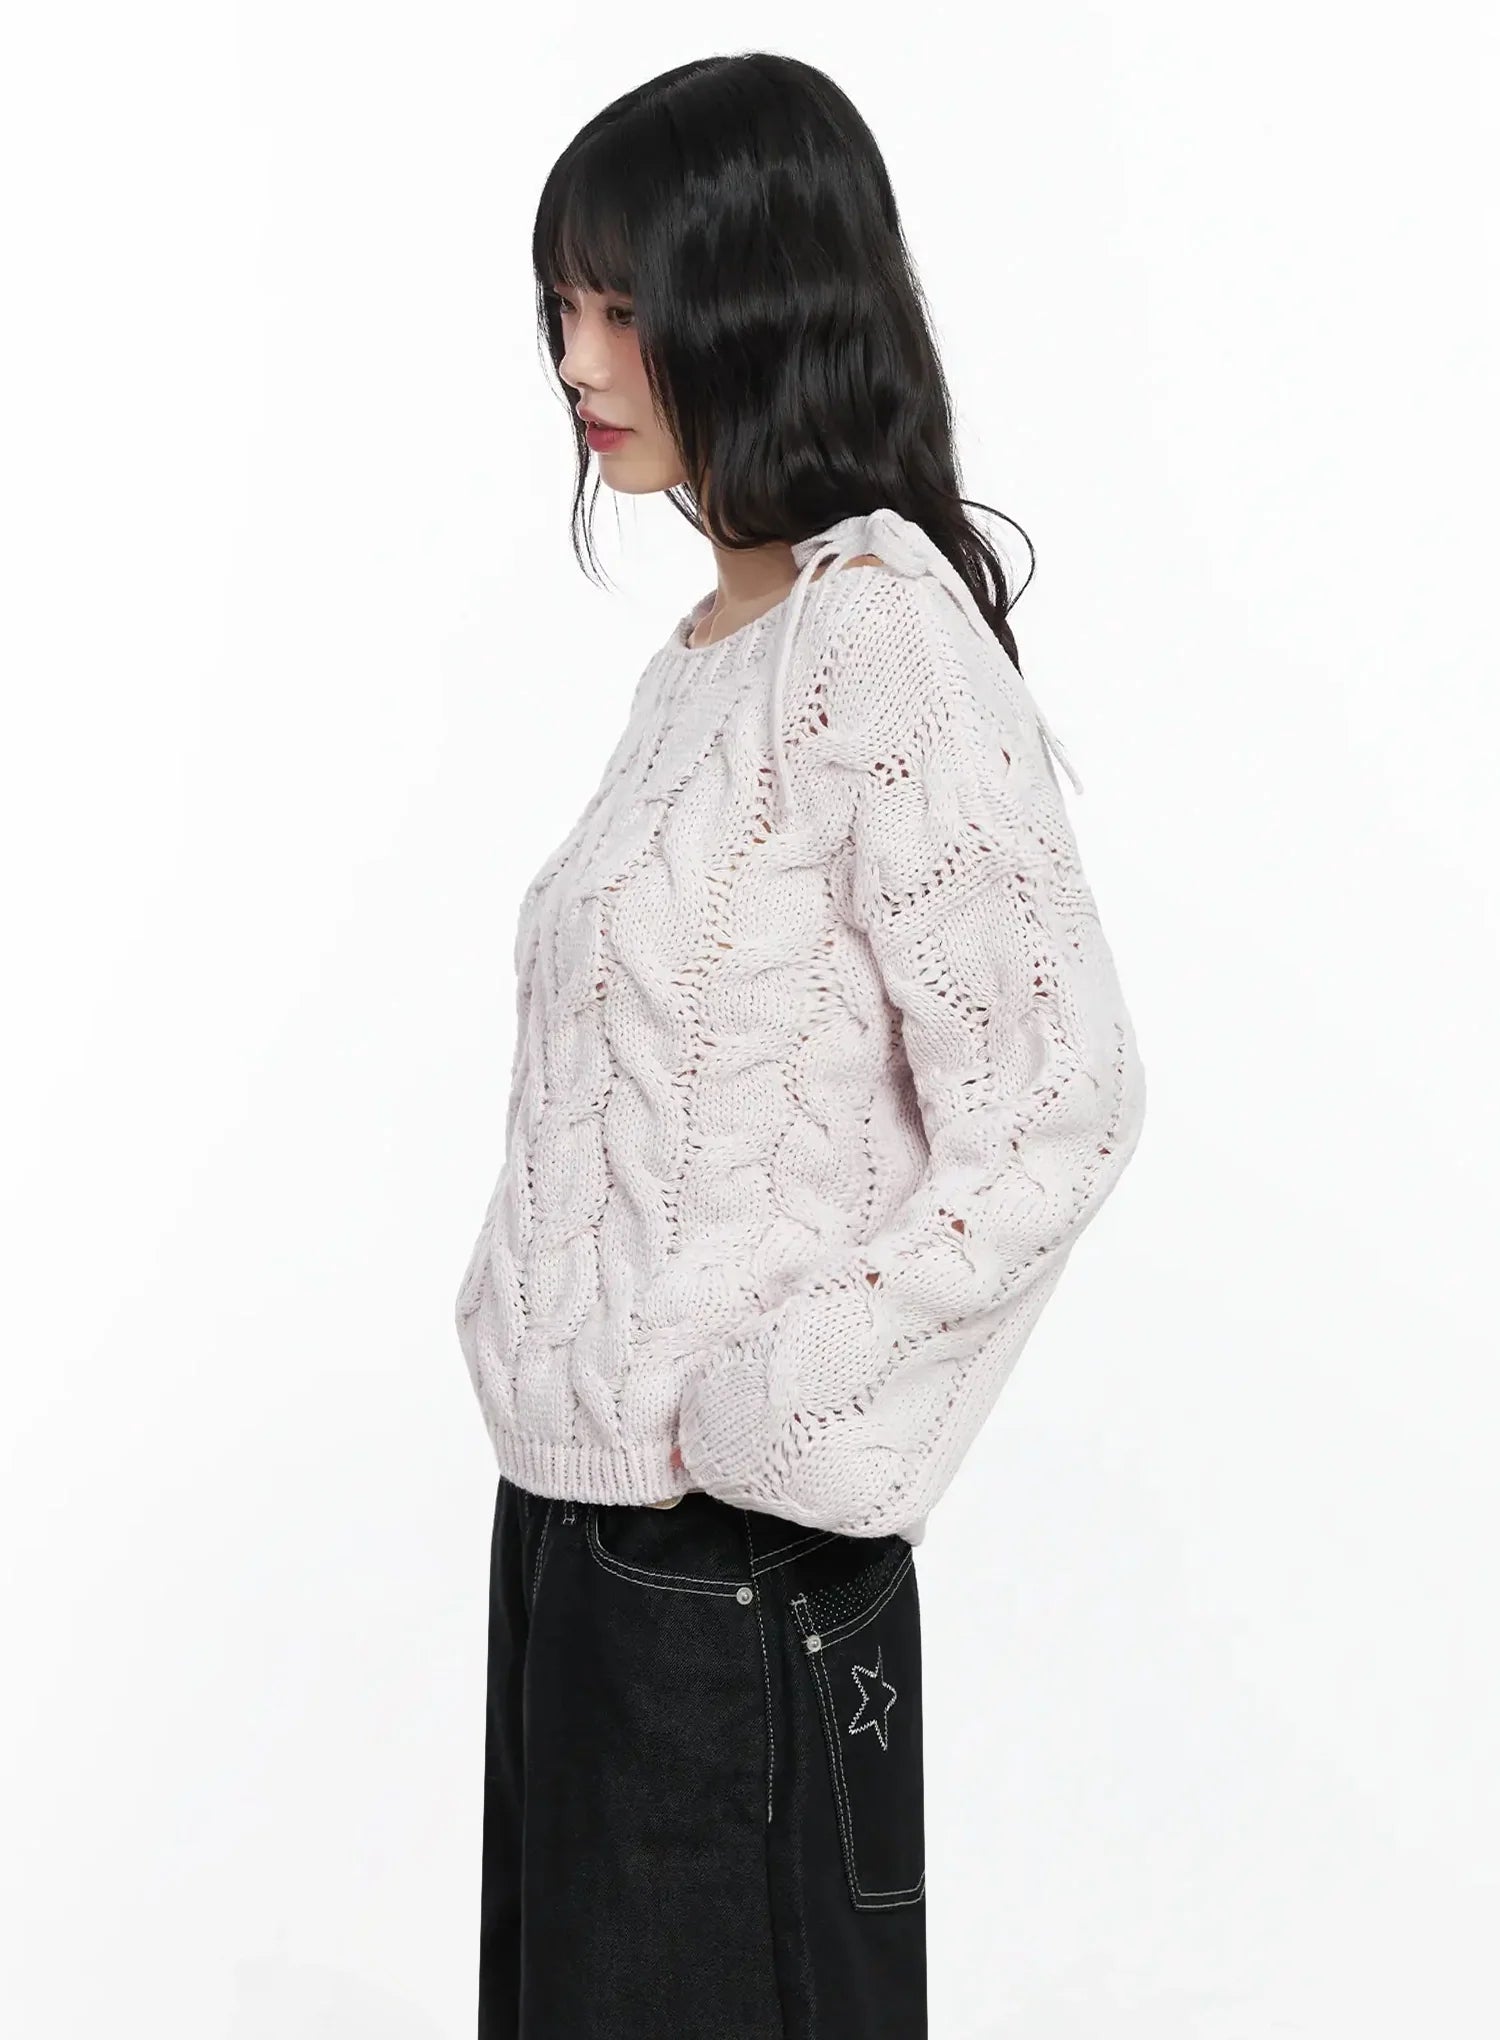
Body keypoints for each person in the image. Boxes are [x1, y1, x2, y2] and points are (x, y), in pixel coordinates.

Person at [456, 50, 1148, 2040]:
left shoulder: (877, 636)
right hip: (578, 1548)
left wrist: (782, 1410)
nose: (578, 363)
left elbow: (1063, 1100)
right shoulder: (708, 660)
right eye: (560, 308)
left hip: (727, 1582)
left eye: (622, 308)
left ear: (756, 306)